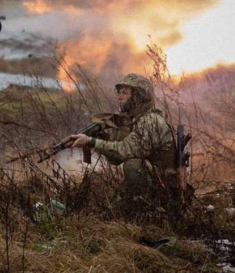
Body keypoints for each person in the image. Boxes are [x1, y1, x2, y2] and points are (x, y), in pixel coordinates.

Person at [64, 73, 178, 214]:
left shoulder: (150, 120)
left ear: (139, 96)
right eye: (119, 92)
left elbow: (124, 151)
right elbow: (115, 159)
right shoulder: (136, 120)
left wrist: (91, 142)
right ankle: (135, 207)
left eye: (125, 92)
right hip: (155, 180)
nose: (119, 96)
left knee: (133, 164)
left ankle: (145, 212)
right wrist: (100, 140)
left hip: (165, 186)